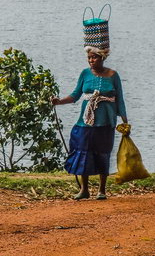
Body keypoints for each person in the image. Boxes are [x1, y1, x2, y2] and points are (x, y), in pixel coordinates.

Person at [52, 49, 128, 200]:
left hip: (106, 122)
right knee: (83, 152)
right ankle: (84, 189)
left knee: (103, 153)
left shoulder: (113, 75)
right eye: (89, 58)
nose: (91, 61)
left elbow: (119, 98)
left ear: (102, 58)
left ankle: (102, 190)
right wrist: (59, 102)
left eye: (94, 57)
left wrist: (125, 121)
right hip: (85, 122)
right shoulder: (85, 74)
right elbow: (75, 96)